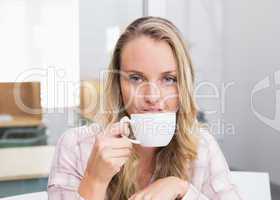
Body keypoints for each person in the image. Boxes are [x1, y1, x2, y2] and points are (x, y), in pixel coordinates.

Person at [47, 16, 242, 200]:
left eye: (168, 79)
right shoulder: (76, 146)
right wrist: (95, 179)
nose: (152, 96)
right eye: (136, 78)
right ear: (118, 84)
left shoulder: (202, 147)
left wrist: (181, 189)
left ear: (183, 86)